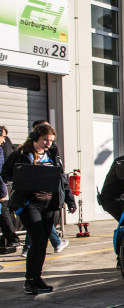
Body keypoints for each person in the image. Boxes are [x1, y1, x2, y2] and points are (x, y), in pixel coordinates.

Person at [1, 123, 76, 294]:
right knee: (38, 239)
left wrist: (70, 200)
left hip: (49, 204)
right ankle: (30, 280)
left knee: (42, 243)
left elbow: (62, 179)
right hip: (29, 203)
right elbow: (5, 173)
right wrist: (21, 178)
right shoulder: (21, 154)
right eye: (45, 140)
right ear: (35, 138)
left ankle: (37, 278)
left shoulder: (53, 155)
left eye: (51, 140)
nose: (48, 143)